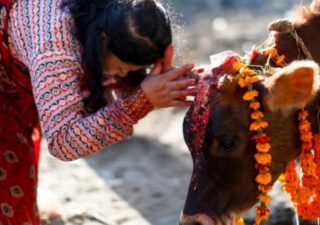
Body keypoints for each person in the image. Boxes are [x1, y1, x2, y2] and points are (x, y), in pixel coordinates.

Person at [0, 0, 196, 224]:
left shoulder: (112, 13)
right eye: (122, 68)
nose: (123, 76)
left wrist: (164, 81)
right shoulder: (54, 50)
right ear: (102, 39)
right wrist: (140, 101)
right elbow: (64, 140)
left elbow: (106, 80)